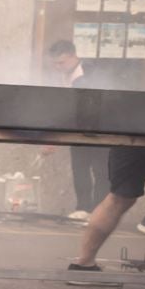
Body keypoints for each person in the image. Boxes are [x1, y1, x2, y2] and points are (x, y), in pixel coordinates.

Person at [46, 39, 103, 221]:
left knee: (101, 171)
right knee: (80, 169)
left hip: (98, 130)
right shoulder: (61, 76)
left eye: (61, 62)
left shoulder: (90, 73)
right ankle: (83, 207)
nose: (58, 67)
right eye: (55, 63)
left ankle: (100, 211)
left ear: (73, 56)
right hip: (75, 130)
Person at [68, 149, 145, 270]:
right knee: (119, 199)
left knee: (118, 199)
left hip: (130, 139)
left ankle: (84, 265)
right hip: (132, 138)